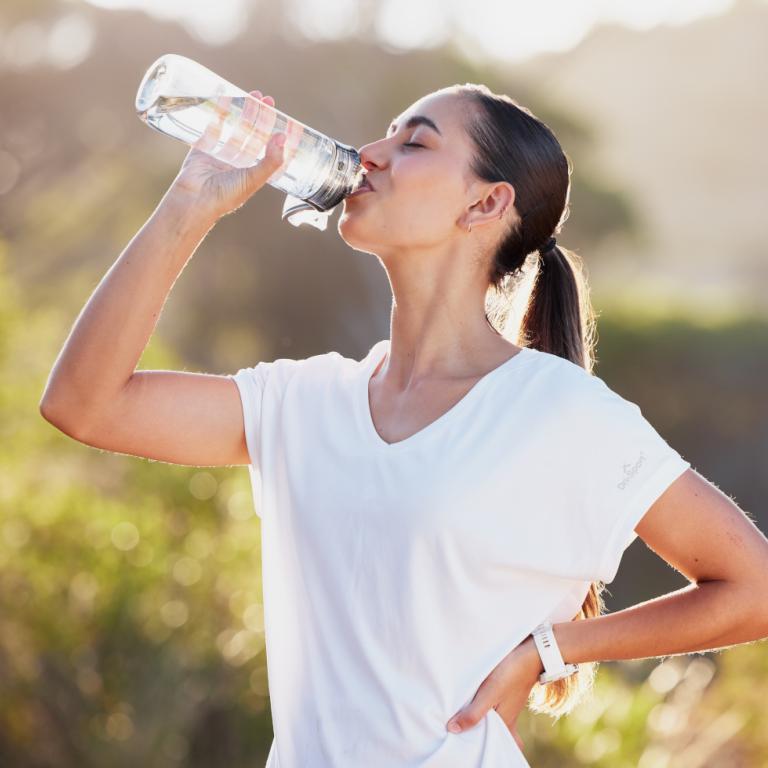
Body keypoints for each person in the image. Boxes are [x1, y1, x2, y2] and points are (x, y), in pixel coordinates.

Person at [40, 84, 768, 768]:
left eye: (414, 144)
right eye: (384, 137)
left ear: (486, 203)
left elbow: (753, 587)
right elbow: (85, 403)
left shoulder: (558, 412)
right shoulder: (303, 400)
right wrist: (188, 204)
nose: (370, 156)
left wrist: (552, 648)